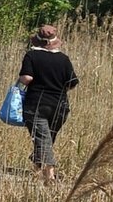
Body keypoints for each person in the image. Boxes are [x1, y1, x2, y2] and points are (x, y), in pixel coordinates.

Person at [18, 24, 79, 184]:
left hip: (36, 104)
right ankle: (35, 171)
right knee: (46, 139)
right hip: (60, 107)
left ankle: (50, 176)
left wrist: (19, 82)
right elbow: (72, 83)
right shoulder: (64, 59)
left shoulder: (31, 56)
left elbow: (27, 78)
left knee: (43, 139)